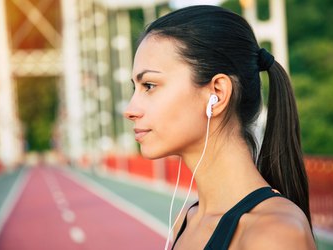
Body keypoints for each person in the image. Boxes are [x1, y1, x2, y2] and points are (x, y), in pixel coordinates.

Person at [124, 5, 316, 250]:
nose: (130, 109)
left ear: (217, 93)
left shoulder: (274, 235)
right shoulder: (187, 219)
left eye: (149, 85)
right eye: (135, 88)